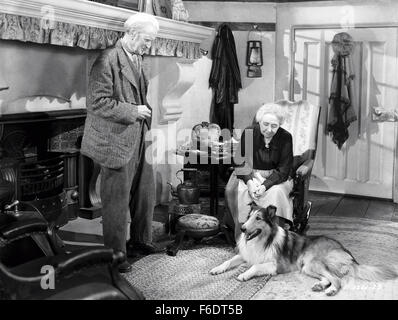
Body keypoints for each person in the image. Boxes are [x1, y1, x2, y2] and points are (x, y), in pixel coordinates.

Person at [80, 13, 164, 273]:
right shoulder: (106, 60)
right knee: (115, 203)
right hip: (114, 141)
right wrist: (133, 112)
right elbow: (96, 103)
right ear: (133, 33)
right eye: (147, 40)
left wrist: (144, 114)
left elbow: (139, 94)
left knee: (144, 194)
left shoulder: (137, 58)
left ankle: (139, 241)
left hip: (137, 136)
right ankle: (115, 256)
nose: (148, 46)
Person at [223, 102, 294, 241]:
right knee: (242, 192)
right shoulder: (249, 132)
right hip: (250, 174)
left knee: (276, 193)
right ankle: (244, 239)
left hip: (276, 178)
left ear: (280, 125)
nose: (269, 129)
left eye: (274, 126)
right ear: (259, 122)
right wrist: (249, 182)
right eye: (265, 124)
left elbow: (284, 169)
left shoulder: (286, 137)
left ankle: (272, 240)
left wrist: (264, 186)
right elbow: (240, 161)